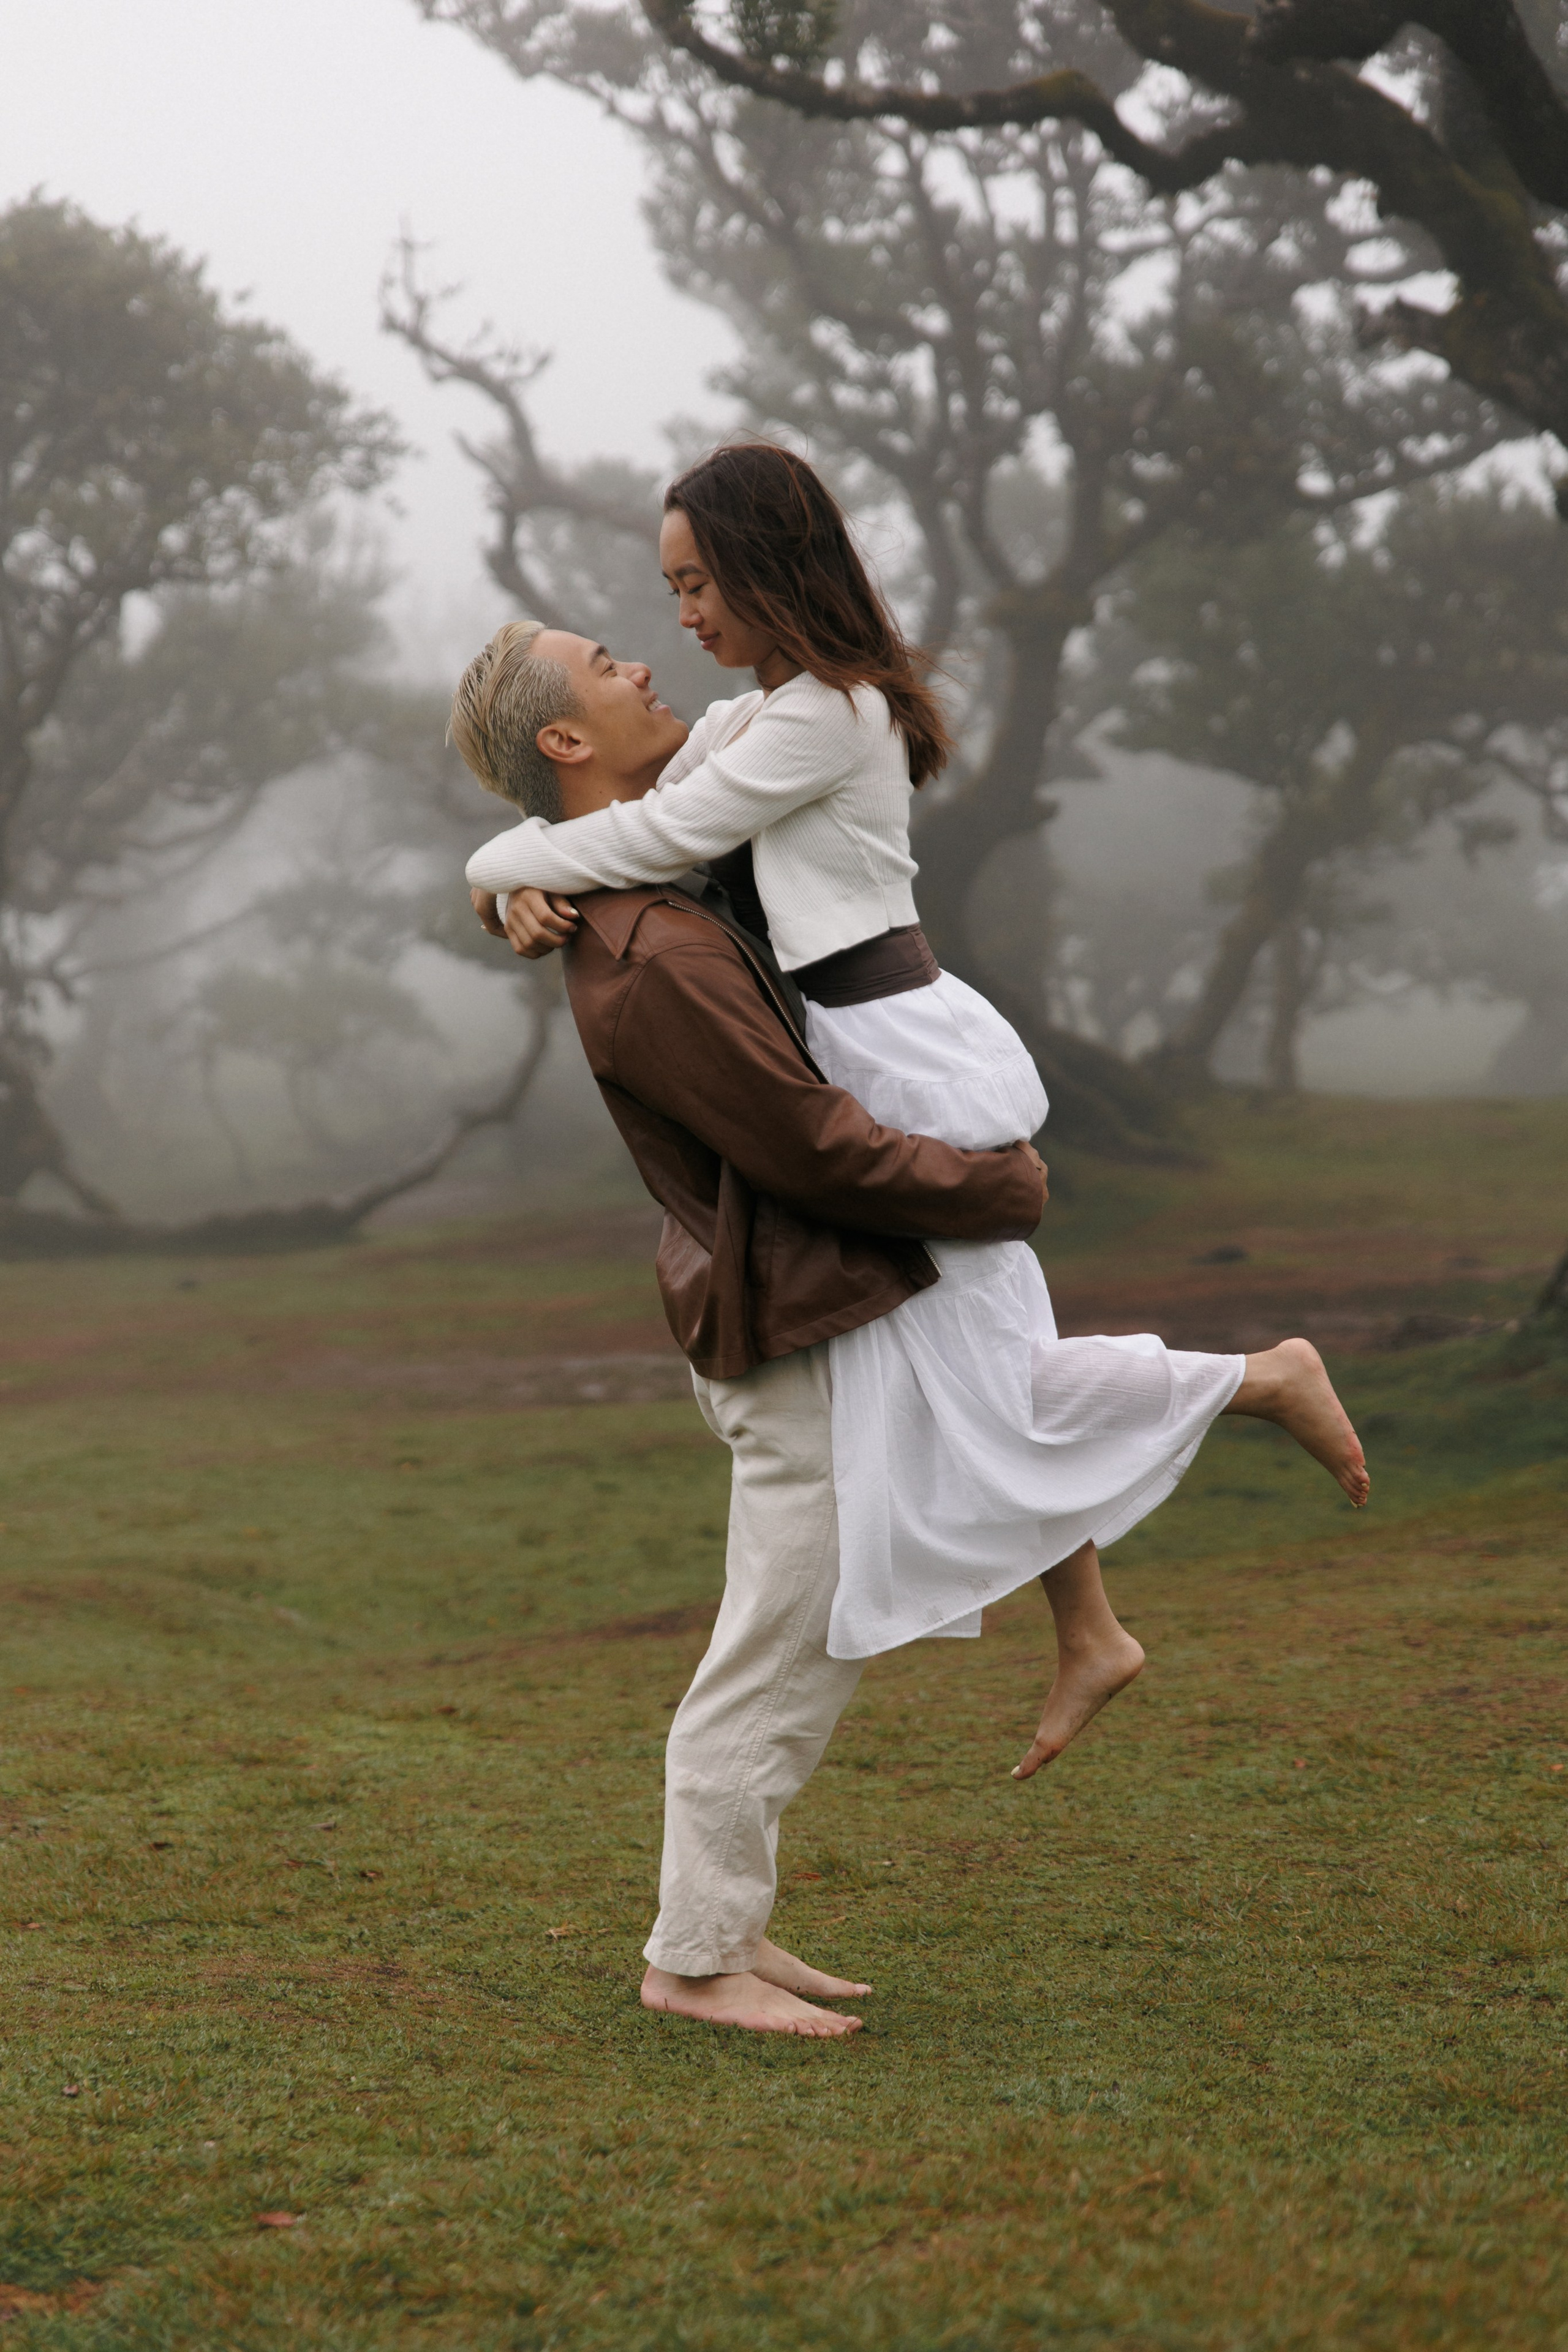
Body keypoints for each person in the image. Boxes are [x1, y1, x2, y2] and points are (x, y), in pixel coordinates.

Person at [449, 616, 1368, 2039]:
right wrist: (993, 1183)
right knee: (780, 1650)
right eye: (605, 665)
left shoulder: (654, 886)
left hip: (795, 1304)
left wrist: (499, 878)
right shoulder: (653, 952)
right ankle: (693, 1961)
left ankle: (729, 1930)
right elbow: (809, 1144)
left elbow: (672, 841)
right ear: (565, 741)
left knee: (880, 1540)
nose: (643, 663)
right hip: (789, 1321)